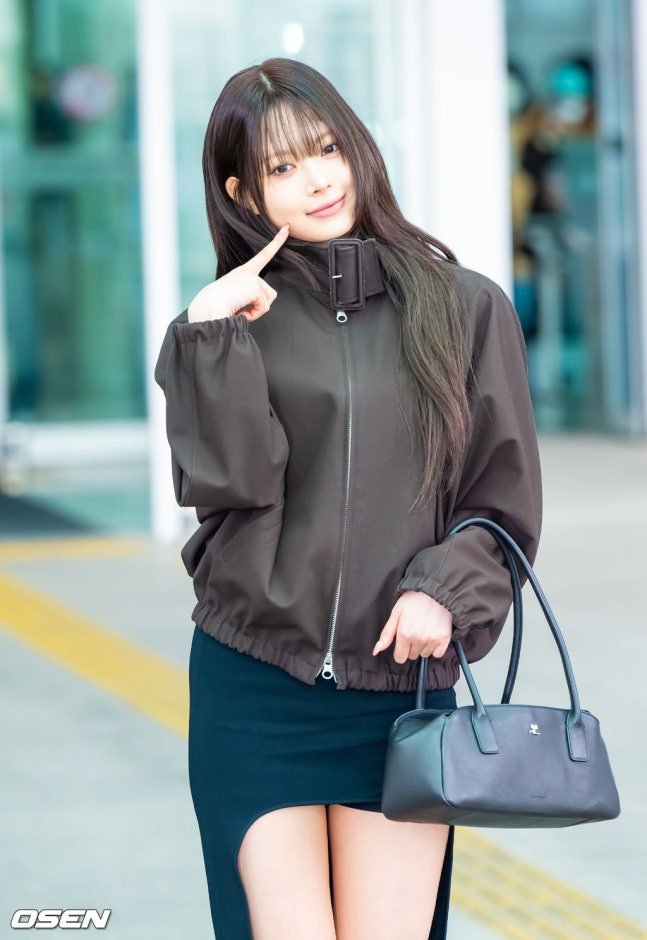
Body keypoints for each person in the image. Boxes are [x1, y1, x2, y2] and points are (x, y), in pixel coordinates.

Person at [154, 57, 542, 940]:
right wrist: (209, 340)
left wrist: (442, 592)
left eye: (326, 148)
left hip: (398, 695)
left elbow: (501, 499)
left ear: (358, 149)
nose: (317, 179)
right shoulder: (230, 322)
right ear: (241, 191)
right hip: (254, 682)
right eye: (282, 167)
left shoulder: (462, 307)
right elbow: (226, 487)